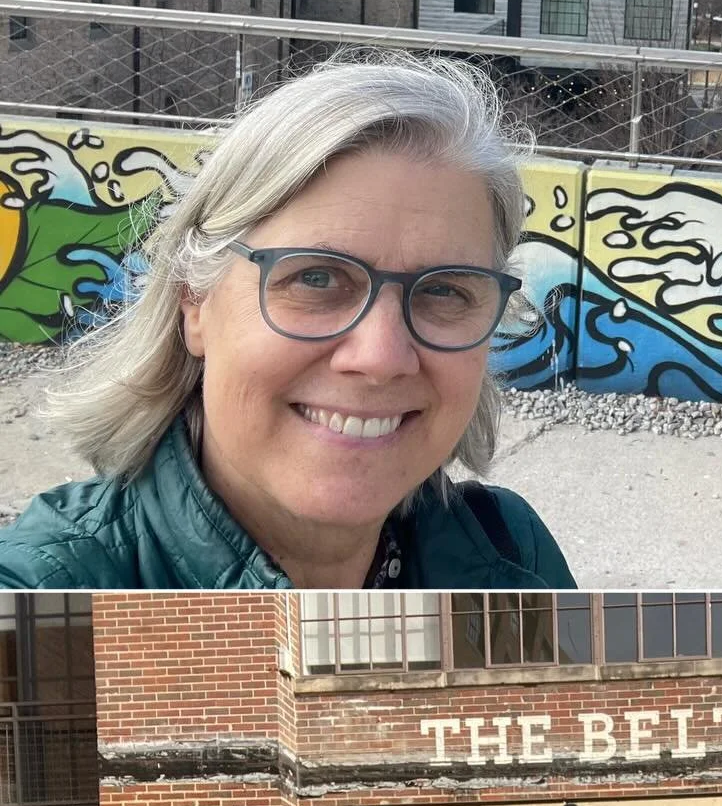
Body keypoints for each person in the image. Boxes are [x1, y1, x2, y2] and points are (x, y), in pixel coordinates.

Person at [0, 55, 573, 591]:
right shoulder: (47, 586)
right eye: (316, 280)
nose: (380, 356)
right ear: (195, 301)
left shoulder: (512, 554)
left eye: (445, 291)